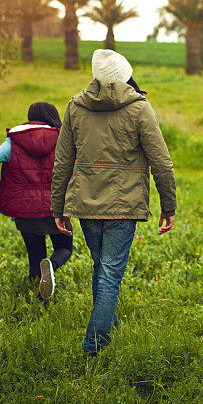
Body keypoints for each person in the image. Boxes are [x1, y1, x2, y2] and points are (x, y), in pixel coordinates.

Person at [51, 49, 177, 357]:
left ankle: (108, 321)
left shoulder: (75, 106)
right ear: (125, 74)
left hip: (85, 204)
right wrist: (169, 206)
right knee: (109, 273)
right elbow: (161, 161)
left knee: (101, 267)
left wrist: (58, 206)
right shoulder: (138, 107)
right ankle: (94, 347)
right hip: (124, 204)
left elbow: (62, 161)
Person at [0, 102, 71, 300]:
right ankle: (52, 268)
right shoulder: (63, 138)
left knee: (35, 256)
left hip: (24, 209)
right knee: (64, 248)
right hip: (55, 208)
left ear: (30, 117)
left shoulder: (15, 140)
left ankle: (39, 301)